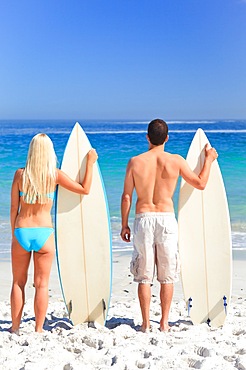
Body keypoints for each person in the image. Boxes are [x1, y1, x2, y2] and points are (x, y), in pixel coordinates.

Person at [120, 118, 218, 332]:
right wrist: (209, 159)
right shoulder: (176, 161)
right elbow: (200, 183)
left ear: (147, 137)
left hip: (143, 219)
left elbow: (127, 196)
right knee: (167, 276)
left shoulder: (135, 162)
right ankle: (164, 323)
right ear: (167, 138)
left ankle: (146, 324)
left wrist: (125, 225)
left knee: (144, 277)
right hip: (166, 219)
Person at [10, 133, 98, 333]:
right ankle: (39, 329)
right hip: (44, 234)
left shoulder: (19, 175)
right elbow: (85, 189)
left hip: (22, 231)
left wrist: (15, 235)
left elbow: (13, 209)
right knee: (41, 285)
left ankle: (15, 328)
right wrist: (90, 163)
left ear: (31, 151)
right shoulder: (54, 175)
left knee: (18, 282)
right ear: (49, 152)